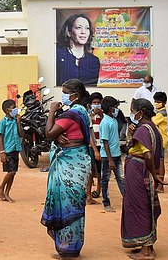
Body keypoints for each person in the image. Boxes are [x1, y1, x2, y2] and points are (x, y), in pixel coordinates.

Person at [41, 79, 92, 259]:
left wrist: (52, 112)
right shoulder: (82, 112)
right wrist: (57, 138)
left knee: (67, 206)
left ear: (75, 96)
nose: (63, 96)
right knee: (74, 207)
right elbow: (62, 135)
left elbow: (48, 134)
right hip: (79, 162)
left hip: (70, 165)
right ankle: (71, 248)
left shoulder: (71, 115)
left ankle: (68, 249)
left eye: (65, 92)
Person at [122, 99, 164, 260]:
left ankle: (147, 251)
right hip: (140, 171)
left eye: (133, 110)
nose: (132, 113)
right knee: (143, 205)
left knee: (140, 207)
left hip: (139, 172)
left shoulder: (143, 130)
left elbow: (147, 154)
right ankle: (145, 243)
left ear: (140, 112)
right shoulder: (150, 128)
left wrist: (154, 174)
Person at [56, 14, 100, 86]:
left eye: (87, 28)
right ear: (69, 32)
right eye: (78, 27)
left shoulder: (94, 61)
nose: (83, 32)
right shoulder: (58, 55)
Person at [98, 96, 125, 213]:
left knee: (121, 178)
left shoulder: (113, 120)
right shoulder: (105, 123)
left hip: (117, 155)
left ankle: (128, 200)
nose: (117, 109)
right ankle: (106, 202)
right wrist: (110, 160)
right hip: (107, 157)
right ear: (110, 108)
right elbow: (105, 141)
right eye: (115, 107)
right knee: (105, 179)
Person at [0, 99, 22, 203]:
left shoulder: (16, 121)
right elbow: (0, 136)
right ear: (7, 110)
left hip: (16, 149)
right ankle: (1, 187)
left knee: (13, 172)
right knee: (10, 171)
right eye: (13, 108)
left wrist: (19, 122)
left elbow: (21, 134)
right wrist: (2, 151)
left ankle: (7, 193)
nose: (15, 110)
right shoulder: (3, 122)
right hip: (8, 150)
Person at [87, 92, 103, 204]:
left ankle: (98, 189)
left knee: (99, 170)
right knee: (90, 169)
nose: (96, 105)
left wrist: (101, 115)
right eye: (94, 103)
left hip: (100, 144)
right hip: (91, 145)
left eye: (98, 103)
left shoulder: (104, 116)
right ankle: (88, 193)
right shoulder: (88, 116)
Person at [152, 92, 168, 193]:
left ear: (164, 102)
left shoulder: (161, 114)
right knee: (158, 161)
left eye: (158, 102)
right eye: (155, 101)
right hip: (160, 139)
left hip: (161, 140)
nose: (156, 103)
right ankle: (158, 184)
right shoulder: (159, 112)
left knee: (160, 161)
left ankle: (161, 185)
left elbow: (153, 121)